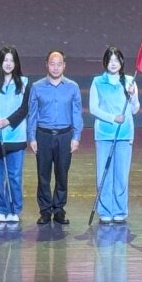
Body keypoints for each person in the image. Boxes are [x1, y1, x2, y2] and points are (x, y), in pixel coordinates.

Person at [27, 49, 83, 226]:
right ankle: (45, 210)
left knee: (62, 174)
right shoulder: (37, 87)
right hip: (43, 135)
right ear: (47, 65)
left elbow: (77, 113)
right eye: (52, 63)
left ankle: (59, 209)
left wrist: (76, 137)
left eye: (59, 64)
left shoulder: (72, 87)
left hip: (65, 135)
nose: (56, 67)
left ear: (64, 66)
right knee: (43, 175)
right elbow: (32, 114)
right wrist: (32, 137)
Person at [89, 46, 140, 224]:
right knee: (104, 174)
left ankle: (120, 210)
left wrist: (133, 95)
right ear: (105, 62)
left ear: (121, 62)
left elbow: (135, 109)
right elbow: (93, 108)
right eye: (110, 60)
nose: (113, 63)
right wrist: (112, 118)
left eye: (116, 60)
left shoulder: (129, 81)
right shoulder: (97, 82)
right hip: (104, 134)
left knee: (121, 175)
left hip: (124, 135)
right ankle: (105, 210)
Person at [0, 45, 30, 224]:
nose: (8, 64)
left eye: (12, 60)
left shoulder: (24, 83)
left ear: (16, 63)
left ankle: (14, 209)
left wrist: (8, 121)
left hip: (15, 135)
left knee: (14, 176)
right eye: (5, 60)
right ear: (0, 62)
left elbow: (24, 109)